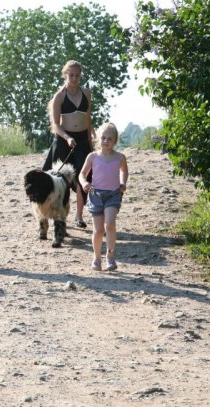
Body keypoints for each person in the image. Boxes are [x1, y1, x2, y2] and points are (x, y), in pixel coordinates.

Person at [43, 60, 95, 228]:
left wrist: (91, 137)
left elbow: (87, 118)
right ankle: (58, 216)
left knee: (83, 176)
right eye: (71, 75)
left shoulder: (87, 93)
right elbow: (55, 126)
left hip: (82, 139)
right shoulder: (59, 96)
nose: (74, 78)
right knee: (60, 179)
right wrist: (67, 138)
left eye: (77, 75)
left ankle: (79, 216)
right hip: (64, 140)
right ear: (65, 75)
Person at [78, 123, 128, 271]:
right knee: (98, 230)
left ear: (115, 141)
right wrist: (84, 183)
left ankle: (110, 256)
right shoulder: (92, 157)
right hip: (95, 195)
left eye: (110, 139)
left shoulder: (120, 157)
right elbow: (82, 174)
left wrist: (123, 182)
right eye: (103, 138)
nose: (106, 141)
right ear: (97, 139)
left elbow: (124, 171)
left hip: (113, 194)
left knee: (110, 224)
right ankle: (96, 257)